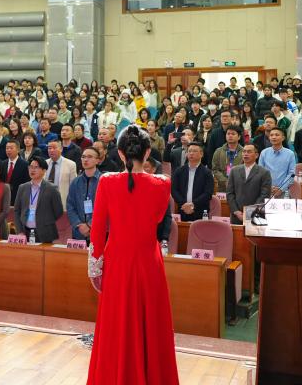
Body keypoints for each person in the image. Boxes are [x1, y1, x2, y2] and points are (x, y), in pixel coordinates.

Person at [86, 125, 179, 384]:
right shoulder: (162, 183)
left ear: (119, 153)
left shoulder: (107, 182)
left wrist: (95, 268)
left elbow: (97, 229)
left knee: (116, 324)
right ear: (147, 152)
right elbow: (158, 218)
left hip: (117, 262)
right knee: (151, 325)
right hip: (148, 262)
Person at [13, 156, 63, 243]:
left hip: (45, 233)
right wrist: (20, 231)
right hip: (25, 232)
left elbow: (58, 211)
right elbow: (17, 210)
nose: (32, 170)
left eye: (36, 167)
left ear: (44, 171)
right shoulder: (22, 187)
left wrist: (46, 221)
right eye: (31, 167)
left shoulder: (52, 189)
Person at [226, 144, 272, 223]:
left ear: (256, 155)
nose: (246, 154)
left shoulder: (264, 172)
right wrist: (236, 211)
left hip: (256, 215)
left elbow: (264, 194)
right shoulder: (234, 170)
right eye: (244, 151)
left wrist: (251, 211)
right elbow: (229, 193)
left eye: (249, 152)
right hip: (236, 215)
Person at [170, 142, 214, 221]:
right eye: (189, 151)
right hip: (182, 209)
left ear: (201, 154)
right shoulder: (179, 171)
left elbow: (208, 193)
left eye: (194, 151)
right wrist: (184, 204)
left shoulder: (207, 173)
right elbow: (174, 190)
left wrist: (193, 204)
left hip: (200, 210)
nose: (191, 153)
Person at [67, 147, 101, 242]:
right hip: (78, 232)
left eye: (89, 157)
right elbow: (70, 206)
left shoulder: (103, 181)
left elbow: (106, 208)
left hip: (98, 231)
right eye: (83, 157)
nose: (85, 160)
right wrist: (79, 225)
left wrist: (89, 225)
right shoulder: (75, 182)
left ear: (97, 160)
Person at [258, 127, 296, 199]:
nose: (274, 137)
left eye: (277, 135)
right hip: (266, 190)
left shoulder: (290, 154)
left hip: (283, 191)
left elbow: (291, 174)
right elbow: (260, 173)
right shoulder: (264, 153)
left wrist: (281, 189)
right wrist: (268, 187)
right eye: (271, 135)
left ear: (283, 138)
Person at [45, 139, 77, 208]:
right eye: (49, 148)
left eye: (54, 148)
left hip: (62, 202)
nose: (51, 150)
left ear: (61, 149)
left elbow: (73, 187)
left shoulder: (71, 164)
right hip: (45, 202)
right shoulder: (44, 163)